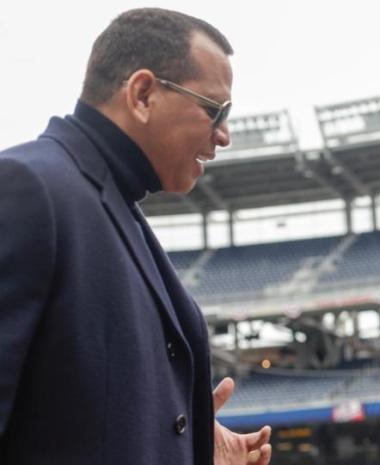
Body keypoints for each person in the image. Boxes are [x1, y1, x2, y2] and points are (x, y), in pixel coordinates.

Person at [0, 8, 271, 465]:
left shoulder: (115, 207)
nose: (223, 135)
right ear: (143, 93)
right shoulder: (29, 187)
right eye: (214, 109)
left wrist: (184, 448)